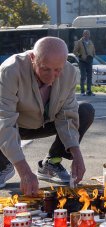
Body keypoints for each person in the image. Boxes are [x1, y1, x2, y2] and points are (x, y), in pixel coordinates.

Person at [0, 36, 95, 195]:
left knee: (85, 111)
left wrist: (77, 154)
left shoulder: (70, 72)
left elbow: (67, 116)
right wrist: (24, 171)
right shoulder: (10, 70)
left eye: (58, 70)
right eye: (45, 69)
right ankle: (4, 163)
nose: (51, 77)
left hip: (47, 123)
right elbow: (4, 121)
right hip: (18, 125)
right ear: (32, 58)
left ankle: (51, 162)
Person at [73, 30, 96, 96]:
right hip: (82, 61)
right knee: (83, 76)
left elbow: (93, 50)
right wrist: (80, 55)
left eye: (88, 34)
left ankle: (89, 91)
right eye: (85, 34)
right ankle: (82, 91)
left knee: (90, 76)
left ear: (89, 35)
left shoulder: (91, 42)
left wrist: (93, 55)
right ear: (83, 34)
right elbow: (74, 51)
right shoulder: (79, 42)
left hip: (89, 61)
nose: (87, 35)